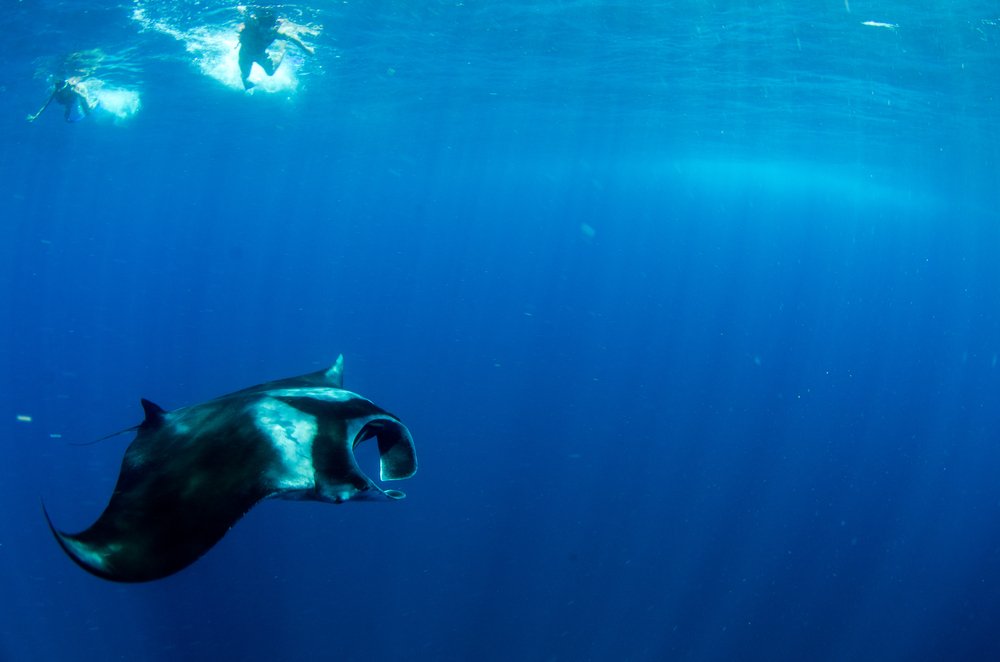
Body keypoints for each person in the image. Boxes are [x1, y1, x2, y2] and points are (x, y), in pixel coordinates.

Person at [238, 8, 316, 90]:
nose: (266, 31)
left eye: (269, 28)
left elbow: (291, 38)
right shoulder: (251, 27)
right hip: (245, 54)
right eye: (264, 27)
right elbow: (246, 15)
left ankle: (282, 51)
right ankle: (246, 84)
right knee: (245, 74)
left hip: (260, 55)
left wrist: (306, 49)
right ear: (259, 24)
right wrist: (243, 10)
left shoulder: (274, 32)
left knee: (270, 72)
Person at [27, 77, 96, 122]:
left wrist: (87, 105)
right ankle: (88, 107)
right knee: (68, 111)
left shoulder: (72, 89)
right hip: (67, 100)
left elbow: (82, 97)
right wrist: (37, 115)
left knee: (87, 111)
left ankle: (93, 103)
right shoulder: (56, 90)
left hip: (72, 98)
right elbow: (46, 104)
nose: (59, 90)